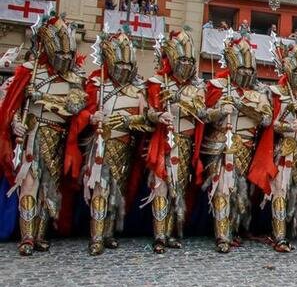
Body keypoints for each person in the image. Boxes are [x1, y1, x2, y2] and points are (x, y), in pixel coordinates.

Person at [0, 14, 87, 257]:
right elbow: (12, 106)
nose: (65, 59)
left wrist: (41, 98)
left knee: (50, 188)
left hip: (58, 136)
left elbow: (75, 106)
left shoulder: (75, 78)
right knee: (30, 183)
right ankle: (27, 236)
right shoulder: (31, 71)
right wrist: (16, 123)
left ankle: (40, 235)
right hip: (33, 132)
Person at [80, 32, 153, 256]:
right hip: (102, 144)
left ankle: (109, 233)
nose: (123, 67)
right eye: (119, 62)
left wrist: (130, 120)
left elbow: (147, 120)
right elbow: (81, 112)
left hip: (125, 146)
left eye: (127, 63)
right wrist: (91, 117)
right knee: (100, 190)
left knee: (117, 192)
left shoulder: (138, 91)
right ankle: (96, 237)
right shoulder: (96, 84)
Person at [252, 41, 297, 253]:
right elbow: (267, 123)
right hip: (283, 150)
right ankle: (279, 236)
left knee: (294, 192)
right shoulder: (276, 93)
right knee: (279, 191)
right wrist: (286, 125)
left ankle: (291, 230)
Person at [202, 35, 272, 253]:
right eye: (242, 69)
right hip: (221, 144)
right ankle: (222, 235)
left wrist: (243, 106)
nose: (247, 73)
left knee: (240, 194)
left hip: (247, 148)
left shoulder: (260, 93)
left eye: (250, 69)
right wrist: (220, 111)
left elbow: (267, 119)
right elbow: (203, 115)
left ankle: (232, 231)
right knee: (222, 189)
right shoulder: (217, 86)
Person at [144, 29, 205, 254]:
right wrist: (159, 115)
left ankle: (169, 233)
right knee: (160, 186)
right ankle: (159, 235)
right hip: (164, 141)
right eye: (183, 59)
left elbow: (202, 111)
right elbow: (148, 111)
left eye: (190, 60)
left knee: (177, 188)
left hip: (185, 141)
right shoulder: (157, 82)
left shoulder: (197, 87)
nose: (187, 63)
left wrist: (182, 101)